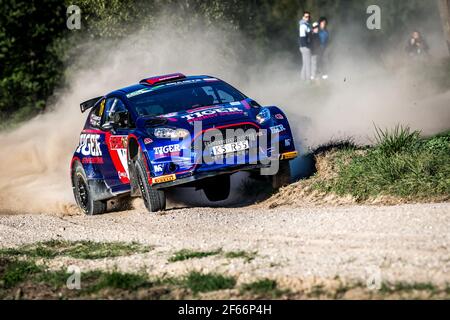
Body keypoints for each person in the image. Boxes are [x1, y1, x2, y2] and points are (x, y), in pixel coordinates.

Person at [299, 11, 312, 81]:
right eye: (306, 17)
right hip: (305, 47)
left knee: (305, 63)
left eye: (309, 17)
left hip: (303, 46)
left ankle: (302, 79)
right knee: (308, 64)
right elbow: (303, 38)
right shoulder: (303, 26)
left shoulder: (306, 25)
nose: (308, 18)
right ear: (303, 17)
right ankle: (308, 80)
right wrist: (307, 46)